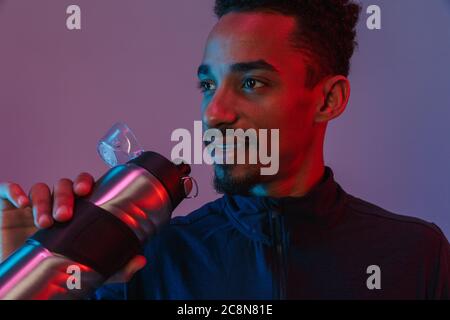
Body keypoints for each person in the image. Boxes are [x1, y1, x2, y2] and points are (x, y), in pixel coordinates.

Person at [1, 0, 449, 299]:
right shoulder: (142, 263)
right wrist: (24, 277)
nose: (214, 112)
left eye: (252, 83)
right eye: (208, 84)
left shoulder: (415, 255)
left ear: (328, 100)